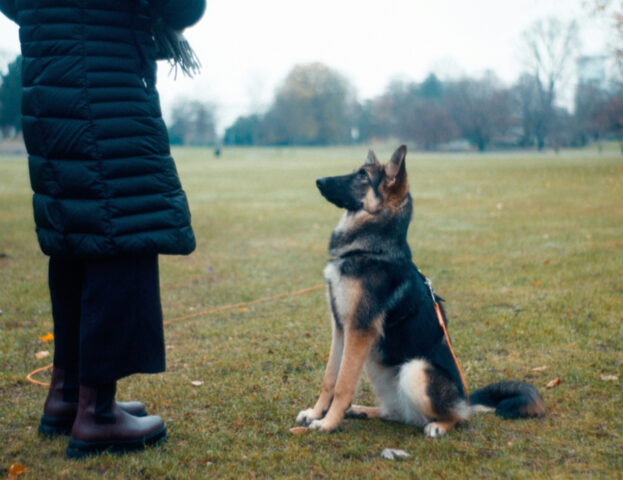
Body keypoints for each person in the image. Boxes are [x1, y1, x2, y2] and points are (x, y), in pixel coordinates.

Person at [0, 0, 206, 458]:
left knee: (79, 233)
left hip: (49, 78)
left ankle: (68, 395)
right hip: (103, 81)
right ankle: (98, 415)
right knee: (123, 229)